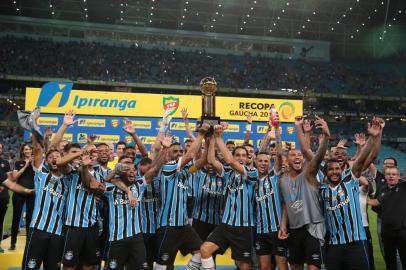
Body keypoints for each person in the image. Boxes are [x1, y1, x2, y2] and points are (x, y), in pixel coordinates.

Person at [318, 118, 382, 270]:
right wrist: (324, 139)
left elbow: (362, 160)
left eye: (337, 169)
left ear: (342, 169)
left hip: (356, 243)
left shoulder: (350, 180)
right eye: (330, 169)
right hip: (334, 245)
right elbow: (312, 158)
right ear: (325, 173)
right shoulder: (322, 188)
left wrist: (372, 138)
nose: (334, 172)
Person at [146, 125, 209, 270]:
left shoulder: (183, 173)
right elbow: (189, 156)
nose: (178, 154)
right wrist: (200, 134)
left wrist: (209, 140)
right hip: (168, 225)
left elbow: (202, 162)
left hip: (183, 225)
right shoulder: (166, 169)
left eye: (180, 151)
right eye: (174, 151)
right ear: (166, 154)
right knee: (164, 265)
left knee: (202, 251)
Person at [200, 125, 258, 270]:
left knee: (243, 265)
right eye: (237, 155)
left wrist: (219, 136)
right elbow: (211, 159)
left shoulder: (252, 172)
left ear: (248, 158)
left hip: (244, 227)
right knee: (205, 250)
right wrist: (213, 138)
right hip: (225, 225)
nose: (240, 158)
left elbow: (230, 161)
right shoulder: (227, 173)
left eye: (243, 156)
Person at [278, 116, 329, 270]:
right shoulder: (282, 180)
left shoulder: (309, 174)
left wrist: (326, 137)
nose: (298, 157)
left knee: (314, 267)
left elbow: (315, 155)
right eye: (293, 155)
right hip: (294, 230)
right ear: (287, 160)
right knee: (295, 267)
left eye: (299, 155)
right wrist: (283, 224)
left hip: (312, 228)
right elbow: (287, 203)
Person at [21, 125, 69, 270]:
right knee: (31, 267)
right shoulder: (41, 175)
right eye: (51, 157)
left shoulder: (69, 180)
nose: (54, 158)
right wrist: (34, 128)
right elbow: (37, 149)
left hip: (58, 233)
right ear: (47, 161)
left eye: (58, 156)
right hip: (38, 230)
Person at [369, 167, 406, 270]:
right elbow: (377, 202)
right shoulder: (383, 189)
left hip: (402, 231)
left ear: (399, 176)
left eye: (394, 174)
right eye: (388, 174)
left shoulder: (404, 186)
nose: (391, 176)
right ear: (385, 176)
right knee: (390, 260)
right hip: (387, 232)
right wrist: (361, 200)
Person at [9, 143, 35, 250]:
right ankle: (13, 242)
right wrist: (25, 165)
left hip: (32, 193)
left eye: (29, 149)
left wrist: (32, 164)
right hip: (19, 193)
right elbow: (14, 177)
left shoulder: (36, 163)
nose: (27, 151)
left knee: (30, 218)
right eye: (25, 149)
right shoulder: (18, 162)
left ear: (31, 151)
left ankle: (29, 242)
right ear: (23, 151)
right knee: (16, 217)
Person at [0, 142, 12, 253]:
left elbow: (10, 178)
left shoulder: (5, 163)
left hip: (3, 195)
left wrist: (3, 186)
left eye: (0, 148)